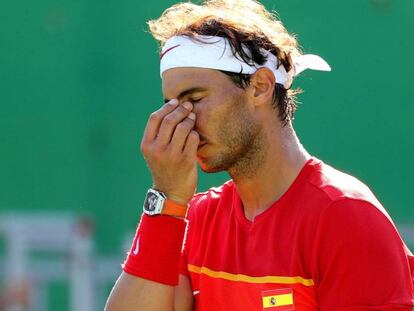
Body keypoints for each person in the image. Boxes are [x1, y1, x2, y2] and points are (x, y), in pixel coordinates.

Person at [105, 0, 414, 310]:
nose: (181, 120)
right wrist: (166, 200)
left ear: (260, 88)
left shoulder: (346, 217)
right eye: (171, 104)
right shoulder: (196, 219)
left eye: (194, 99)